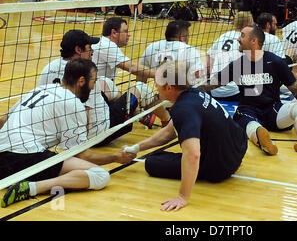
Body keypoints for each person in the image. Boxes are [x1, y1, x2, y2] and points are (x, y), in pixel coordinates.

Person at [0, 58, 136, 208]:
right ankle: (32, 188)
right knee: (100, 176)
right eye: (93, 81)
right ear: (82, 81)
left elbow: (4, 119)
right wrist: (115, 157)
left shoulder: (40, 89)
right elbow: (82, 154)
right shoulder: (72, 102)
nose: (94, 87)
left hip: (2, 158)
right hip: (26, 157)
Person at [124, 60, 247, 212]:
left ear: (169, 87)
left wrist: (182, 197)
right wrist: (136, 147)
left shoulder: (183, 109)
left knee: (152, 163)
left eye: (157, 83)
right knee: (160, 156)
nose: (155, 86)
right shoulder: (195, 93)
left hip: (220, 167)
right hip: (238, 148)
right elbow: (169, 132)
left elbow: (193, 155)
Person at [201, 25, 297, 156]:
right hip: (248, 110)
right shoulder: (237, 65)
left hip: (272, 110)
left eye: (243, 36)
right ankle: (265, 143)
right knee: (251, 125)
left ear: (254, 41)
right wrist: (189, 89)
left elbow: (296, 90)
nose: (238, 39)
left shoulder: (275, 62)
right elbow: (212, 84)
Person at [38, 29, 160, 144]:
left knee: (105, 82)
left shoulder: (49, 68)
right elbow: (85, 111)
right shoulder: (85, 72)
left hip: (60, 129)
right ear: (78, 50)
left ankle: (137, 112)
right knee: (140, 88)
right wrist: (81, 143)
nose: (92, 51)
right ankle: (166, 119)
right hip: (99, 134)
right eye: (89, 48)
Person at [92, 17, 171, 126]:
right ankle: (166, 120)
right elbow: (132, 67)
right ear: (114, 33)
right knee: (142, 88)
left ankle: (140, 114)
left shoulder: (103, 43)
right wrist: (162, 74)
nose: (129, 34)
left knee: (125, 92)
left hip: (100, 97)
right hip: (98, 100)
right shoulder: (107, 46)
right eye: (125, 31)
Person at [206, 11, 254, 101]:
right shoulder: (246, 39)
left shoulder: (223, 36)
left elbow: (209, 60)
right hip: (233, 91)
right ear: (246, 24)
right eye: (252, 22)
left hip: (213, 90)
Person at [140, 20, 204, 78]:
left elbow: (141, 72)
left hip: (161, 89)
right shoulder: (189, 50)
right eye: (188, 36)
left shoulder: (151, 47)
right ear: (182, 38)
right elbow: (197, 75)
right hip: (182, 89)